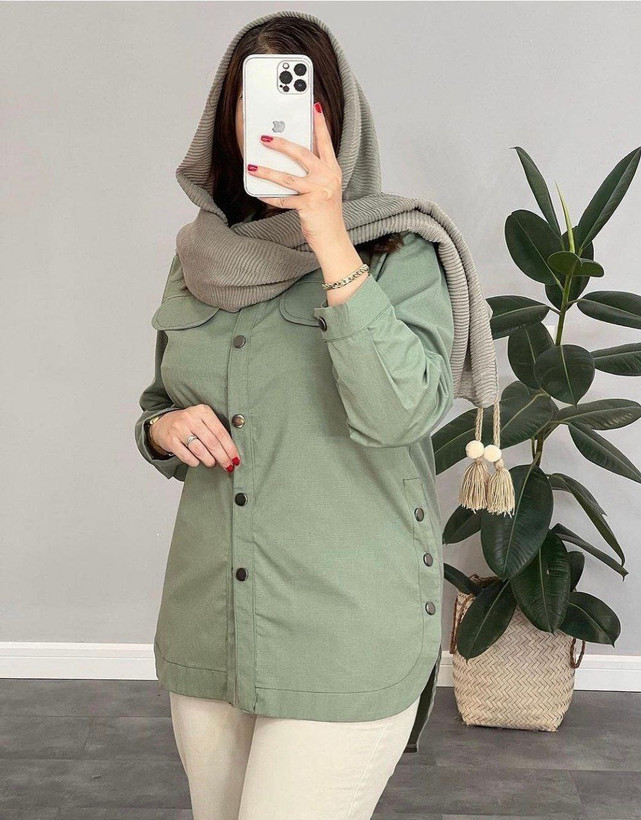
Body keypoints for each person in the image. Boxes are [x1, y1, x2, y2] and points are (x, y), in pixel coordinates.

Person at [135, 10, 458, 820]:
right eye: (255, 99)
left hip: (345, 625)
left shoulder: (399, 250)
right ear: (227, 119)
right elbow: (160, 404)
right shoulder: (199, 258)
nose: (273, 121)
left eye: (296, 99)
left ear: (334, 120)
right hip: (211, 621)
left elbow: (405, 411)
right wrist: (162, 431)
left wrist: (328, 233)